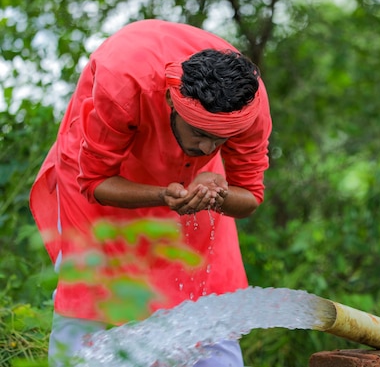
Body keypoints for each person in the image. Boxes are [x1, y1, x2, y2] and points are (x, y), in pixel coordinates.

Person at [29, 19, 272, 366]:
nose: (208, 148)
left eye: (220, 140)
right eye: (200, 133)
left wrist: (218, 196)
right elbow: (95, 181)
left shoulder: (247, 107)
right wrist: (162, 195)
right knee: (93, 293)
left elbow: (249, 195)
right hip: (100, 170)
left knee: (208, 299)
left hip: (196, 183)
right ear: (173, 103)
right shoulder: (123, 79)